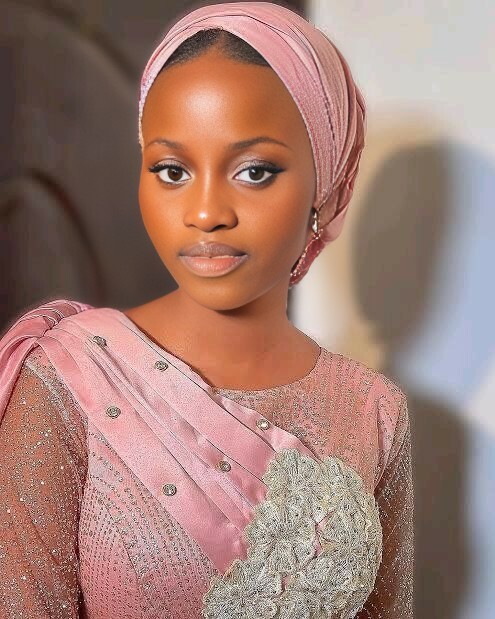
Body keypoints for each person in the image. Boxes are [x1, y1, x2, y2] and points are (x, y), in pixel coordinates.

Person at [0, 2, 413, 618]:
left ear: (326, 188)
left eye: (254, 171)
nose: (205, 213)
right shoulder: (69, 379)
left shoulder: (373, 410)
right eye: (172, 170)